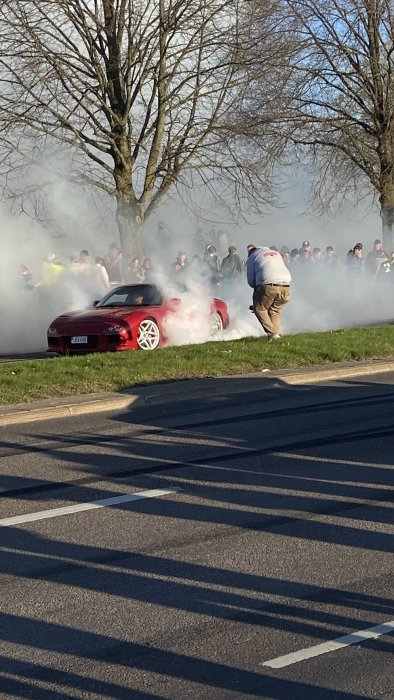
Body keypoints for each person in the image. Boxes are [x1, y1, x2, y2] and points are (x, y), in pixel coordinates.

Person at [246, 244, 291, 341]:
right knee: (274, 311)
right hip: (286, 283)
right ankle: (276, 337)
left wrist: (257, 299)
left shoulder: (252, 257)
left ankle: (273, 334)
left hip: (268, 283)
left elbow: (251, 281)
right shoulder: (275, 253)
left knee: (259, 309)